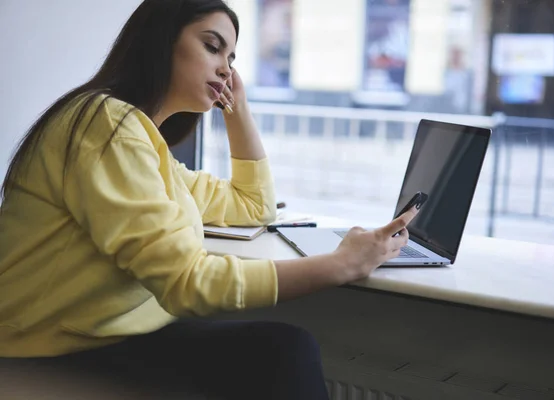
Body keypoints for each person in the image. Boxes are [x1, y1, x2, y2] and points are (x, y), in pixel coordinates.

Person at [0, 0, 417, 398]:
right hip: (48, 350)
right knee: (283, 351)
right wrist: (342, 264)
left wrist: (238, 107)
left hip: (108, 335)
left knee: (279, 351)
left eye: (232, 59)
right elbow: (188, 283)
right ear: (160, 41)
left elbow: (254, 206)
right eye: (212, 46)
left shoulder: (146, 147)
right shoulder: (104, 124)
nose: (226, 68)